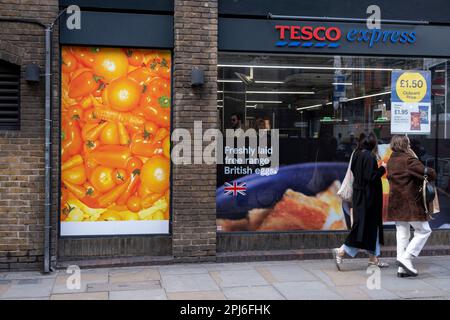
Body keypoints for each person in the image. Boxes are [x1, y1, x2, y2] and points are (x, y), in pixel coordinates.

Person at [332, 133, 389, 270]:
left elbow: (356, 172)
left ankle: (373, 259)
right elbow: (370, 177)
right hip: (368, 198)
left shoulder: (356, 154)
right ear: (373, 143)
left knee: (370, 227)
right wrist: (383, 168)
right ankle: (341, 251)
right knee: (362, 228)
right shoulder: (369, 156)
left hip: (360, 195)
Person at [387, 135, 436, 277]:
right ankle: (406, 258)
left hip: (396, 203)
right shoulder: (408, 160)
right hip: (410, 203)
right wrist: (431, 172)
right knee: (424, 230)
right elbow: (428, 173)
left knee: (402, 234)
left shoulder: (391, 160)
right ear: (405, 144)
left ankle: (402, 269)